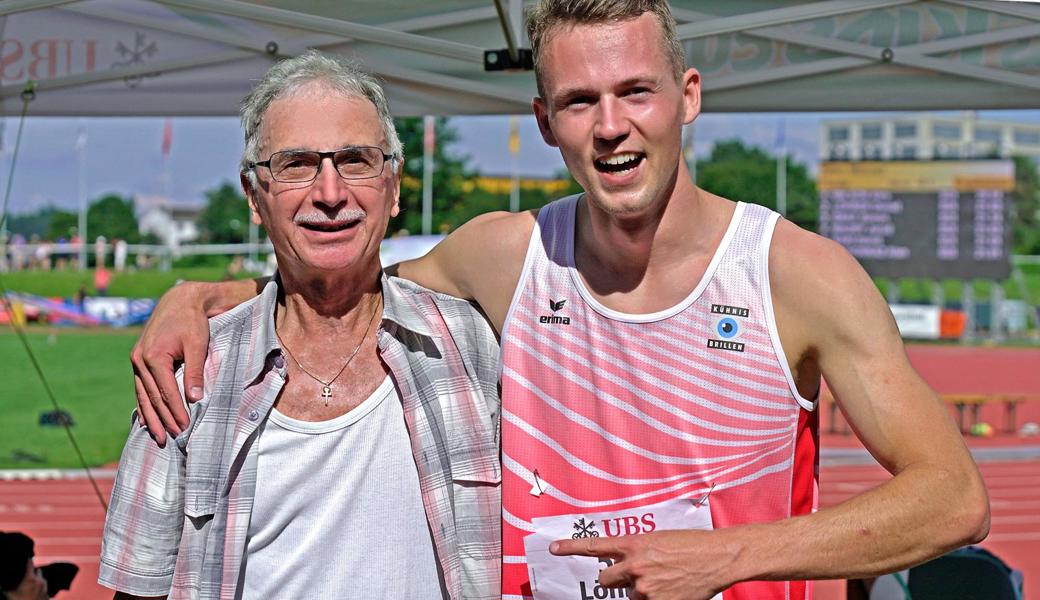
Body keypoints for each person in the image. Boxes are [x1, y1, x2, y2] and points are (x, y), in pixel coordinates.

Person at [131, 1, 989, 598]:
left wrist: (722, 559)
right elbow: (339, 284)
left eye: (635, 93)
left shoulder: (792, 274)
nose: (611, 126)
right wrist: (198, 293)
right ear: (546, 120)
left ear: (687, 98)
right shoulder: (508, 256)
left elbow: (953, 497)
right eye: (581, 101)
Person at [100, 52, 500, 600]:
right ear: (254, 196)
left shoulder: (476, 344)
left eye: (356, 160)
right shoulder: (190, 372)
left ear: (395, 185)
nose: (330, 193)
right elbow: (136, 591)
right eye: (296, 165)